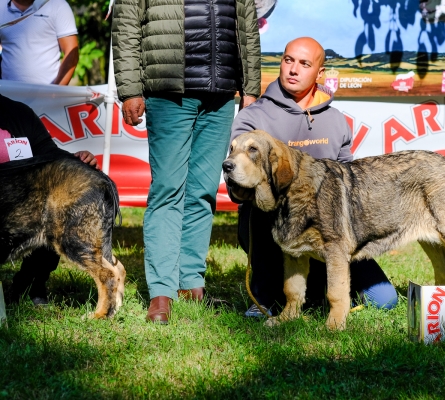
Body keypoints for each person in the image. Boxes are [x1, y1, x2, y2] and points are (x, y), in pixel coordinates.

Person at [112, 0, 261, 324]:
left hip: (220, 91)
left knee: (204, 192)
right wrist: (130, 89)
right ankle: (161, 293)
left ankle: (191, 284)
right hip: (167, 89)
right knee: (167, 191)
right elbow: (126, 21)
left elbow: (247, 20)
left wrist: (250, 87)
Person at [230, 37, 398, 317]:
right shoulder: (253, 118)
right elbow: (238, 188)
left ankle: (324, 288)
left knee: (384, 300)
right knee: (273, 294)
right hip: (274, 233)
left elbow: (350, 185)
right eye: (288, 60)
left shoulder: (336, 120)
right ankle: (268, 295)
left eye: (304, 64)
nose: (293, 69)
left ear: (320, 74)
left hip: (332, 234)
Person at [0, 94, 98, 304]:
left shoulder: (19, 113)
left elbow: (48, 152)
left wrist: (76, 160)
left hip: (22, 204)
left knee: (55, 201)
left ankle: (30, 285)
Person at [0, 0, 79, 85]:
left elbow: (72, 53)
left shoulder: (57, 5)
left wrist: (56, 92)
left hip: (47, 93)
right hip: (7, 92)